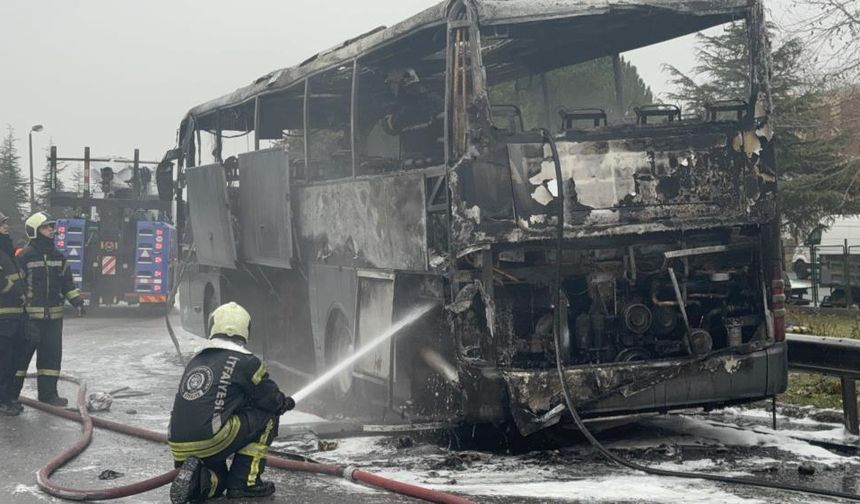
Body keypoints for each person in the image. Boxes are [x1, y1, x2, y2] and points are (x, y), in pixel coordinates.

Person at [168, 302, 294, 503]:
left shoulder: (198, 359)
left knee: (220, 482)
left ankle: (199, 482)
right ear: (245, 329)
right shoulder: (246, 362)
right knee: (268, 417)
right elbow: (270, 400)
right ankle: (246, 483)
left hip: (178, 444)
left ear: (213, 327)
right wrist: (283, 403)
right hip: (212, 438)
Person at [10, 212, 84, 407]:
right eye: (46, 227)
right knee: (21, 359)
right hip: (29, 319)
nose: (51, 230)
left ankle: (49, 395)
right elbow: (18, 285)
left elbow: (67, 283)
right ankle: (10, 396)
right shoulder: (24, 256)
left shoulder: (58, 256)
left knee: (51, 359)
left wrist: (77, 302)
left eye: (51, 227)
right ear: (35, 231)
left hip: (54, 318)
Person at [382, 67, 444, 166]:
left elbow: (445, 132)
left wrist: (436, 156)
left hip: (433, 164)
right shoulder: (400, 107)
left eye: (393, 85)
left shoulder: (433, 102)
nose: (392, 89)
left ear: (401, 86)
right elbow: (388, 128)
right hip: (412, 164)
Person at [0, 212, 26, 416]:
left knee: (12, 360)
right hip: (3, 315)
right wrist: (13, 289)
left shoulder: (7, 249)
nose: (6, 226)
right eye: (2, 224)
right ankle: (2, 401)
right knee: (3, 360)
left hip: (14, 315)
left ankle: (8, 398)